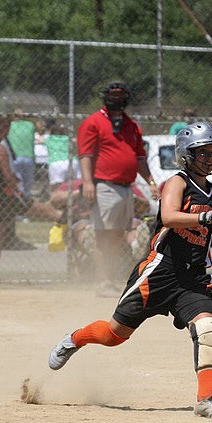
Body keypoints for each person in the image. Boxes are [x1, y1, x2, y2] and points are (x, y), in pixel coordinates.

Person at [48, 122, 212, 421]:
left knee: (208, 329)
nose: (210, 158)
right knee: (114, 335)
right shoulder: (178, 183)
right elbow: (169, 217)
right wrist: (207, 216)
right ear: (186, 155)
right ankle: (75, 339)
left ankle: (204, 400)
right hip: (159, 271)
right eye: (203, 152)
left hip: (193, 277)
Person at [77, 81, 159, 295]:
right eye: (113, 95)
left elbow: (140, 158)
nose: (117, 99)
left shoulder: (131, 126)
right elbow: (86, 155)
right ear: (105, 97)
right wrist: (87, 182)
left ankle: (108, 279)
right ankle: (103, 281)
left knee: (116, 235)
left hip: (126, 187)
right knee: (103, 234)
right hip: (104, 186)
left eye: (121, 95)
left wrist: (151, 182)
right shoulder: (93, 122)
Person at [0, 112, 63, 280]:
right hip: (3, 198)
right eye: (1, 125)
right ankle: (72, 225)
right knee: (51, 213)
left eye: (7, 125)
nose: (5, 129)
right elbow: (9, 177)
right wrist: (16, 188)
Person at [7, 109, 36, 196]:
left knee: (18, 180)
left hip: (15, 156)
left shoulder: (10, 125)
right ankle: (26, 197)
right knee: (28, 181)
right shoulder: (30, 125)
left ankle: (20, 198)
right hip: (29, 156)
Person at [45, 123, 80, 192]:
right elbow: (76, 140)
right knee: (75, 184)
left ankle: (58, 198)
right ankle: (73, 198)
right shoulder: (67, 138)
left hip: (56, 162)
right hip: (72, 161)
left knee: (56, 187)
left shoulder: (49, 139)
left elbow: (39, 140)